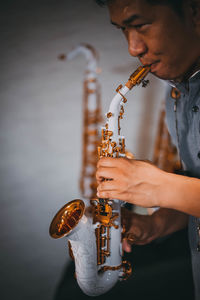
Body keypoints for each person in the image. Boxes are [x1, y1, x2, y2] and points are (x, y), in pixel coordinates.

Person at [95, 0, 200, 298]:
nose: (133, 47)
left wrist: (161, 188)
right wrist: (155, 224)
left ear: (194, 12)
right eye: (123, 30)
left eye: (140, 25)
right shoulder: (178, 92)